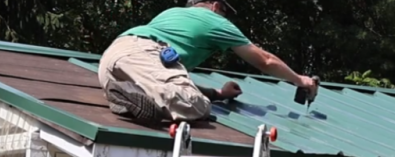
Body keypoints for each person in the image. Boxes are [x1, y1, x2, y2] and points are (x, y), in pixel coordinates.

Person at [98, 0, 319, 124]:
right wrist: (300, 80)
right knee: (198, 106)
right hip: (145, 54)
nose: (227, 18)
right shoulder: (215, 21)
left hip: (113, 58)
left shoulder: (172, 13)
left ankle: (126, 94)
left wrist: (218, 94)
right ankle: (130, 97)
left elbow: (156, 71)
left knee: (180, 93)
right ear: (214, 5)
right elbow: (265, 61)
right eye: (225, 11)